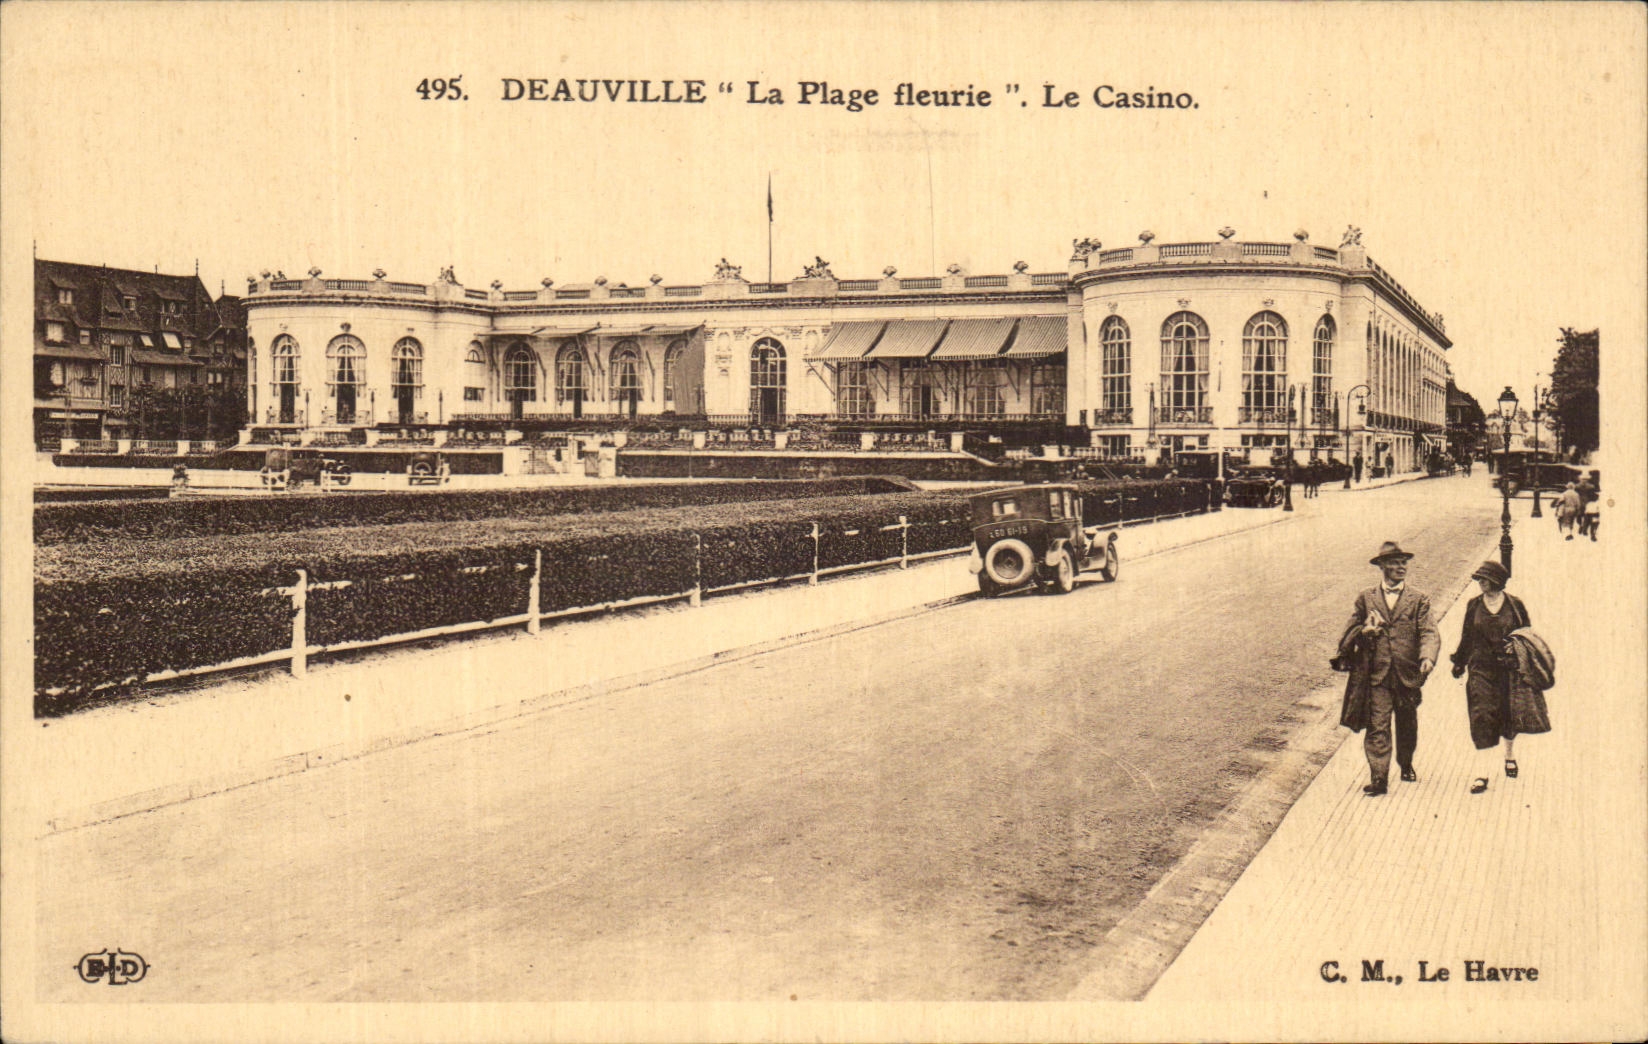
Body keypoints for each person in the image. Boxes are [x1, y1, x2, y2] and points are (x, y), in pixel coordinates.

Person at [1337, 541, 1440, 795]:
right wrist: (1365, 631)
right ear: (1382, 566)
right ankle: (1379, 777)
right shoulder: (1366, 598)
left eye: (1404, 563)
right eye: (1395, 563)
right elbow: (1349, 631)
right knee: (1378, 725)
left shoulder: (1419, 599)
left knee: (1407, 724)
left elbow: (1428, 631)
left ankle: (1405, 762)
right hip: (1378, 674)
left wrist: (1427, 657)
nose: (1401, 567)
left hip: (1407, 673)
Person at [1449, 561, 1551, 793]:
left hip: (1508, 669)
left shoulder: (1515, 605)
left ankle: (1509, 754)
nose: (1480, 583)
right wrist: (1459, 662)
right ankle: (1482, 773)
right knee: (1481, 715)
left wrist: (1516, 649)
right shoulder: (1474, 605)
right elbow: (1467, 636)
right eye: (1479, 579)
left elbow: (1526, 635)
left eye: (1484, 579)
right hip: (1480, 668)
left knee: (1507, 714)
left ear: (1496, 581)